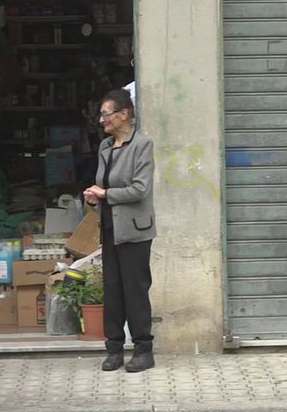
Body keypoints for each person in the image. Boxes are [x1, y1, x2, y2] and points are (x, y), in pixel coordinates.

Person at [84, 88, 156, 373]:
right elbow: (104, 184)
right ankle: (113, 349)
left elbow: (140, 189)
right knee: (112, 290)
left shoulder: (142, 144)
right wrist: (94, 197)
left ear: (124, 114)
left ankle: (143, 350)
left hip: (135, 230)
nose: (101, 120)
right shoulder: (105, 147)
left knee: (135, 290)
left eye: (106, 114)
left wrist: (105, 194)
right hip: (110, 228)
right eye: (101, 115)